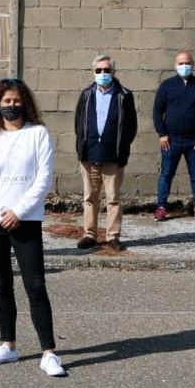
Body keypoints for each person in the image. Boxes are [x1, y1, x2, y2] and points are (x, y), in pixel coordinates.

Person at [0, 79, 66, 378]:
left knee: (35, 285)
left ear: (24, 102)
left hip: (26, 220)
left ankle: (49, 352)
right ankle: (7, 346)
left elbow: (43, 179)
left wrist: (18, 211)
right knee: (2, 286)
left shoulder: (38, 134)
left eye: (15, 101)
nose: (11, 106)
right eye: (5, 101)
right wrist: (0, 211)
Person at [72, 54, 137, 250]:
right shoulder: (86, 94)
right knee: (90, 197)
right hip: (89, 155)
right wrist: (82, 146)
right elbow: (78, 122)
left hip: (113, 156)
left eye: (107, 70)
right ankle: (89, 234)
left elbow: (131, 127)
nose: (103, 74)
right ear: (93, 72)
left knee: (113, 198)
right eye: (98, 70)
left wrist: (121, 149)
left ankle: (112, 236)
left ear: (113, 72)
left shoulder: (124, 95)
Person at [152, 50, 195, 222]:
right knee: (166, 174)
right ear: (175, 65)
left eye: (187, 63)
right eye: (181, 63)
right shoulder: (167, 86)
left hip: (194, 142)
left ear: (193, 65)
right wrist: (162, 134)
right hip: (170, 141)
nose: (184, 66)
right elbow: (157, 111)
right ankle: (161, 207)